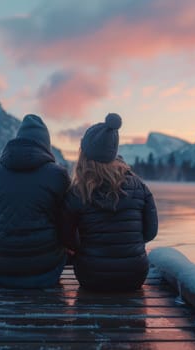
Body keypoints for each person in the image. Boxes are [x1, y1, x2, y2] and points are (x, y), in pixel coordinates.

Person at [62, 113, 158, 291]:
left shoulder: (78, 192)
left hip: (91, 277)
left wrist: (86, 248)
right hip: (134, 276)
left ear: (84, 154)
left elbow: (67, 238)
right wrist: (129, 244)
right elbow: (150, 232)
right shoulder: (139, 186)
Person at [0, 114, 70, 288]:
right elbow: (66, 226)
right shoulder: (58, 175)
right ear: (46, 144)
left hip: (0, 267)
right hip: (46, 269)